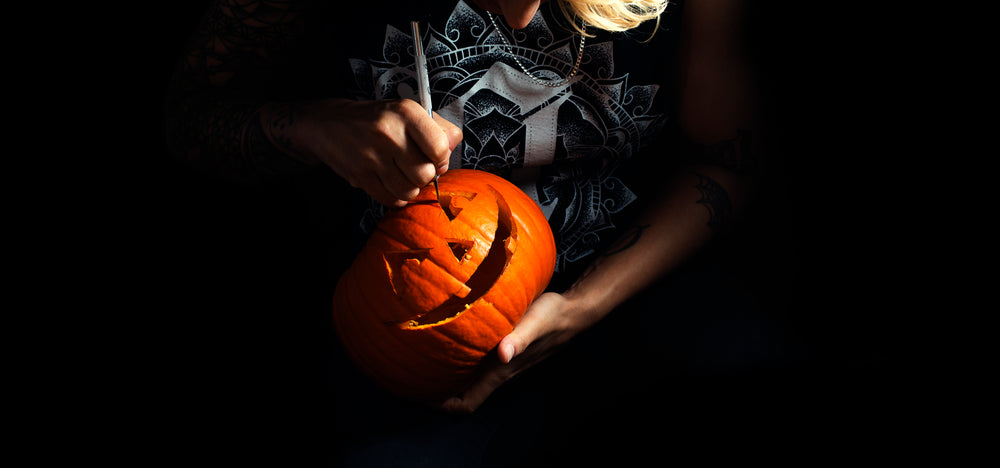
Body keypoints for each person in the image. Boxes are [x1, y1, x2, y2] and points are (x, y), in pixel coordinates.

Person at [165, 0, 801, 463]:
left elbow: (729, 159)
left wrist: (584, 306)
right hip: (408, 347)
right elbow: (189, 121)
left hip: (632, 297)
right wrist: (311, 126)